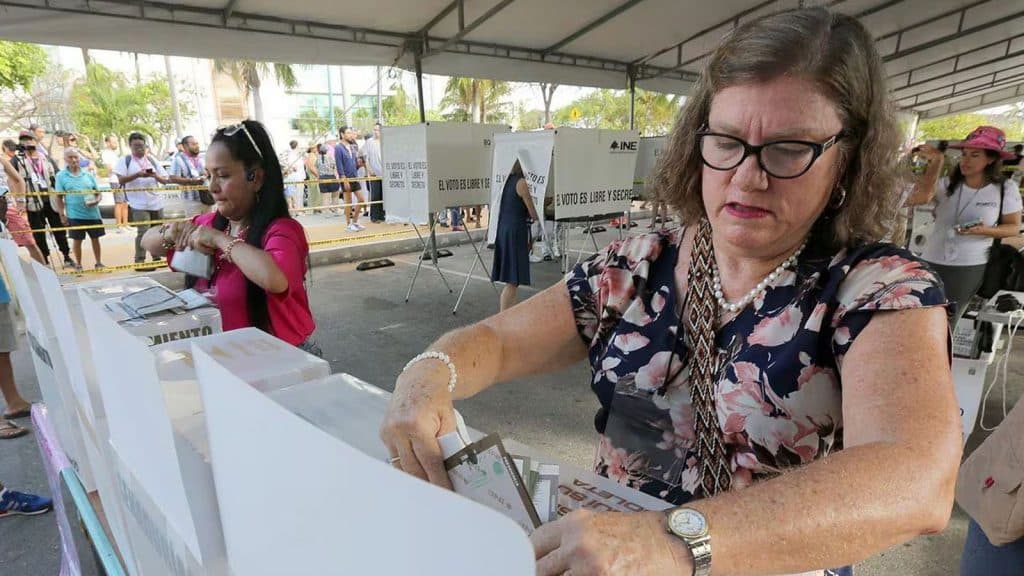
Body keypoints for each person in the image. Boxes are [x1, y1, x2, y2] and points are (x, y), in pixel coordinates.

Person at [381, 9, 961, 576]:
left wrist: (675, 542)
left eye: (790, 149)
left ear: (847, 161)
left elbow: (915, 478)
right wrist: (427, 374)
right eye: (727, 141)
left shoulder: (878, 289)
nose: (747, 175)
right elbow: (498, 341)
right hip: (610, 557)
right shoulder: (637, 263)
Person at [141, 120, 319, 354]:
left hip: (280, 361)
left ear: (255, 178)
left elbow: (274, 280)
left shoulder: (282, 231)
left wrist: (218, 240)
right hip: (224, 358)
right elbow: (148, 241)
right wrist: (171, 233)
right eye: (208, 176)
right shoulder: (209, 224)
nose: (212, 187)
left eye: (222, 175)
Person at [906, 126, 1022, 326]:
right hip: (931, 260)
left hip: (969, 266)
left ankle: (941, 356)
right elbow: (919, 196)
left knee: (948, 322)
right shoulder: (946, 184)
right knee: (918, 318)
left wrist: (984, 230)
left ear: (991, 159)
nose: (965, 160)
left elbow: (1012, 227)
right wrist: (934, 164)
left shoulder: (1005, 188)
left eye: (975, 155)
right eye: (964, 154)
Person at [13, 132, 74, 268]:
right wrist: (20, 200)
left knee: (59, 230)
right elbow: (14, 180)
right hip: (33, 201)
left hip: (50, 199)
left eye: (30, 141)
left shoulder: (46, 158)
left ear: (35, 142)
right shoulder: (18, 161)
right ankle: (44, 259)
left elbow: (57, 176)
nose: (28, 145)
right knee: (39, 232)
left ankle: (66, 255)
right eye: (24, 142)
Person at [489, 160, 539, 311]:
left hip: (505, 228)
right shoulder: (522, 183)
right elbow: (533, 213)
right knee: (512, 280)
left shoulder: (506, 181)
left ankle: (506, 313)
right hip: (515, 231)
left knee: (511, 279)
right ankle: (504, 316)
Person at [115, 132, 171, 264]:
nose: (139, 149)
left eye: (141, 146)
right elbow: (121, 179)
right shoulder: (125, 161)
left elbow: (164, 180)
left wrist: (154, 176)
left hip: (156, 202)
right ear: (130, 146)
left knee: (158, 231)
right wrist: (138, 175)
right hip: (138, 203)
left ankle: (156, 257)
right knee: (143, 232)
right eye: (136, 146)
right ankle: (140, 260)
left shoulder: (151, 160)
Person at [54, 148, 105, 272]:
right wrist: (62, 215)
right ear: (65, 159)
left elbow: (98, 193)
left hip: (93, 214)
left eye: (76, 157)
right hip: (74, 215)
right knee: (77, 241)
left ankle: (98, 262)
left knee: (95, 239)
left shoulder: (88, 174)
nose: (74, 160)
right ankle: (79, 264)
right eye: (70, 157)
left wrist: (96, 201)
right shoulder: (61, 176)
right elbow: (59, 197)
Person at [1, 143, 44, 264]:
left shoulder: (2, 161)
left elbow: (19, 180)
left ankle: (45, 275)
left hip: (7, 206)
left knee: (29, 242)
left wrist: (21, 202)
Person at [335, 126, 367, 232]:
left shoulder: (352, 146)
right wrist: (344, 178)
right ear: (342, 134)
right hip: (346, 178)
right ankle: (348, 225)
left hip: (354, 176)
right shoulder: (338, 148)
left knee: (361, 199)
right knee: (348, 202)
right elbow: (339, 164)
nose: (350, 135)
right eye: (348, 133)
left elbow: (354, 162)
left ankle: (355, 221)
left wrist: (359, 165)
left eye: (351, 133)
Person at [171, 135, 210, 213]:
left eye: (197, 144)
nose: (197, 146)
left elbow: (212, 172)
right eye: (194, 144)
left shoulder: (202, 157)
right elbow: (173, 178)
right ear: (185, 146)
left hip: (207, 198)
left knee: (209, 224)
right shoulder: (178, 160)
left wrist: (207, 173)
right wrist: (191, 181)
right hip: (191, 200)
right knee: (193, 225)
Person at [100, 135, 131, 232]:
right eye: (113, 142)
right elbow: (109, 168)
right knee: (119, 203)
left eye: (116, 142)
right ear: (108, 143)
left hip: (122, 179)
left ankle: (125, 224)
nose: (115, 144)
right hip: (115, 180)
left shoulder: (114, 154)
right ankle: (119, 225)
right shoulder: (106, 154)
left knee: (125, 203)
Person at [361, 124, 385, 223]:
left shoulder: (385, 141)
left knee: (383, 195)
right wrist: (370, 170)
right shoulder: (369, 142)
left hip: (384, 173)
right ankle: (374, 216)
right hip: (374, 173)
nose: (376, 132)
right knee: (375, 195)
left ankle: (382, 215)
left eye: (378, 130)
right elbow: (366, 159)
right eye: (374, 130)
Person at [280, 140, 306, 212]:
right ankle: (298, 209)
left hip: (299, 176)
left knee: (299, 194)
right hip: (295, 177)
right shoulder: (292, 154)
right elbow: (293, 166)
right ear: (297, 146)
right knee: (296, 194)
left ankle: (300, 209)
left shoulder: (298, 154)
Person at [316, 143, 340, 216]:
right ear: (326, 150)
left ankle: (326, 213)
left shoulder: (318, 158)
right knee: (335, 195)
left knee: (325, 197)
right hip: (331, 177)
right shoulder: (330, 157)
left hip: (322, 178)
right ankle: (335, 211)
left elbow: (317, 167)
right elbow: (334, 167)